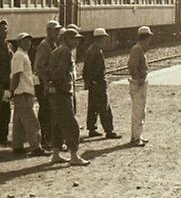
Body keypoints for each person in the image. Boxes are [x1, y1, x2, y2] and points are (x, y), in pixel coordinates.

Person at [47, 27, 90, 166]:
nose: (77, 42)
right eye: (74, 39)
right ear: (67, 39)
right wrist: (61, 85)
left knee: (57, 123)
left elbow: (50, 70)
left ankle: (55, 154)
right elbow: (60, 72)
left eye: (78, 40)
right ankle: (74, 155)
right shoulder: (66, 52)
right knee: (71, 123)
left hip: (56, 92)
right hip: (63, 92)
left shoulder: (57, 50)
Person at [10, 33, 48, 156]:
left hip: (22, 92)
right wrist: (12, 90)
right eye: (24, 41)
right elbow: (16, 75)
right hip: (23, 92)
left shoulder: (22, 55)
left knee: (19, 121)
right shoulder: (20, 55)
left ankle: (17, 146)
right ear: (19, 43)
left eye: (29, 41)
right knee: (31, 121)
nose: (28, 43)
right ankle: (36, 147)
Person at [83, 28, 121, 139]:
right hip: (98, 83)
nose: (105, 39)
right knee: (105, 108)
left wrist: (88, 81)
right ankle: (109, 131)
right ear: (100, 38)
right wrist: (97, 81)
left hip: (93, 83)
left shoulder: (90, 50)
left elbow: (86, 69)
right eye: (104, 37)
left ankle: (92, 128)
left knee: (92, 107)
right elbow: (95, 69)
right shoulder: (97, 52)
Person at [34, 20, 60, 148]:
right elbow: (40, 67)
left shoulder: (52, 44)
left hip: (48, 83)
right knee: (46, 111)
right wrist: (46, 84)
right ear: (49, 31)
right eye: (56, 31)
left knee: (48, 110)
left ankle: (47, 137)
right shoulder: (44, 46)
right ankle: (45, 138)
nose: (58, 33)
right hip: (44, 84)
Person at [127, 26, 152, 147]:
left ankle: (138, 135)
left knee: (142, 110)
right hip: (138, 84)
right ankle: (136, 138)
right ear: (145, 38)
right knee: (138, 111)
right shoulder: (137, 50)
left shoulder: (140, 49)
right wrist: (138, 78)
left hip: (140, 82)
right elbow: (132, 65)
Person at [0, 19, 11, 146]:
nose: (5, 31)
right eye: (2, 29)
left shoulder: (8, 45)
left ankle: (4, 136)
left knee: (6, 111)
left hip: (7, 83)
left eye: (6, 29)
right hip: (0, 83)